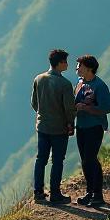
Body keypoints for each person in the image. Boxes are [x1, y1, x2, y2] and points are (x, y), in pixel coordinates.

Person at [31, 50, 76, 205]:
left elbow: (34, 103)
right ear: (60, 63)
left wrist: (43, 114)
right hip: (59, 129)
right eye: (65, 62)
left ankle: (38, 192)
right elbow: (69, 108)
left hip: (42, 126)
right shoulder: (65, 84)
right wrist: (70, 124)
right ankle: (55, 194)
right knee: (57, 161)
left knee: (40, 159)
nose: (67, 65)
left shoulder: (39, 78)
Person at [73, 55, 110, 208]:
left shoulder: (99, 85)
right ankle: (90, 192)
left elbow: (108, 107)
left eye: (80, 66)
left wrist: (86, 108)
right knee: (85, 160)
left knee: (90, 159)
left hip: (95, 127)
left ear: (89, 68)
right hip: (81, 126)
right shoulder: (80, 83)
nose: (77, 68)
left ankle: (98, 195)